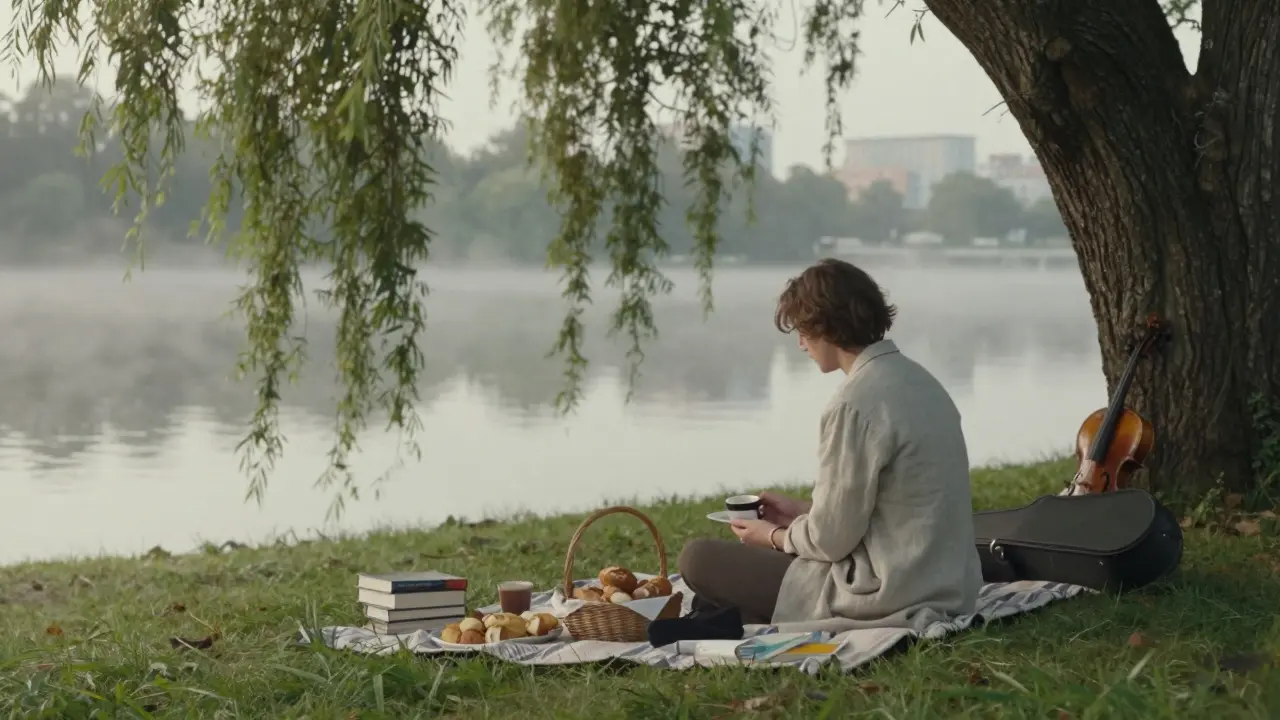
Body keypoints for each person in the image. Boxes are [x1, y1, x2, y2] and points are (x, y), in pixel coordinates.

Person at [676, 258, 983, 632]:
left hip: (887, 590)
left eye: (803, 330)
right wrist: (801, 512)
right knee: (721, 587)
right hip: (948, 584)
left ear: (825, 325)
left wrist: (772, 536)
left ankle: (744, 614)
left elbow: (831, 541)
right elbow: (887, 508)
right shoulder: (922, 383)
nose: (801, 344)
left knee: (698, 559)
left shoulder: (855, 404)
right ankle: (739, 613)